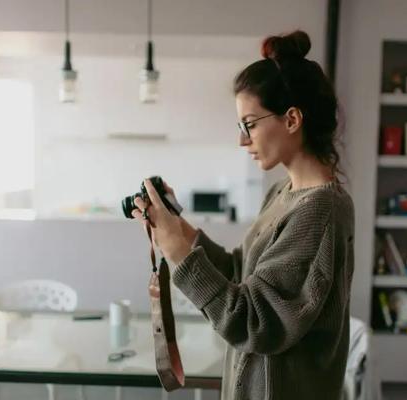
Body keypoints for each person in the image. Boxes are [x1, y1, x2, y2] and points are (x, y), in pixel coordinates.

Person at [132, 30, 355, 400]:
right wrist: (179, 229)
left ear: (292, 119)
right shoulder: (284, 193)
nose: (242, 139)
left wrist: (178, 254)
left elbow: (254, 321)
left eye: (249, 124)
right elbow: (243, 274)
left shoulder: (321, 210)